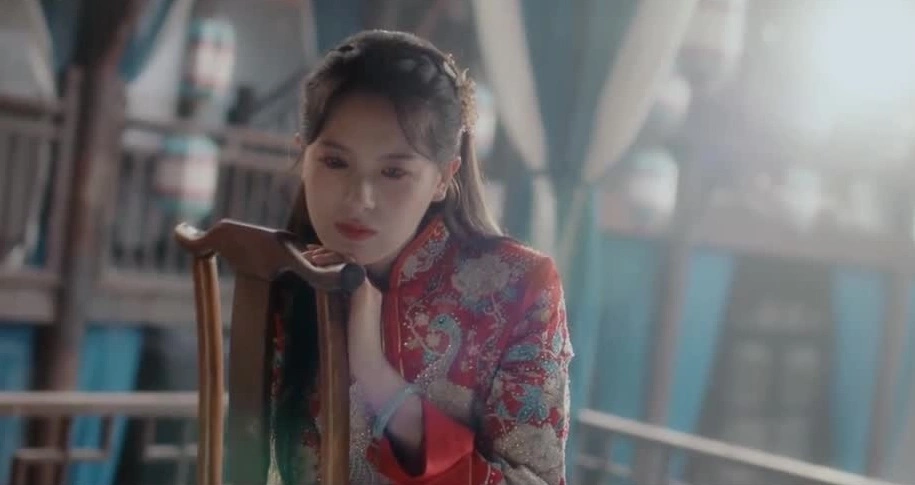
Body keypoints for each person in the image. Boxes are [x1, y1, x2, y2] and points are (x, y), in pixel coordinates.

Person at [270, 29, 573, 484]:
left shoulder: (521, 289)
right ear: (303, 157)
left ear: (443, 178)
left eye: (393, 172)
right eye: (335, 162)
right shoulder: (288, 274)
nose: (359, 199)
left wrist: (374, 375)